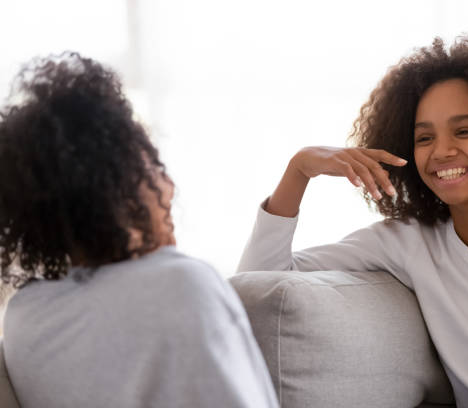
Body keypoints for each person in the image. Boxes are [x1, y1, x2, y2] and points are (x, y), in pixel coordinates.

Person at [238, 34, 468, 408]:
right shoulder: (410, 244)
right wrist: (298, 170)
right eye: (424, 137)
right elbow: (256, 288)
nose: (442, 151)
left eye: (464, 131)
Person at [0, 53, 278, 408]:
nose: (168, 186)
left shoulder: (25, 313)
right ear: (115, 188)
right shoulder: (180, 284)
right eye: (151, 168)